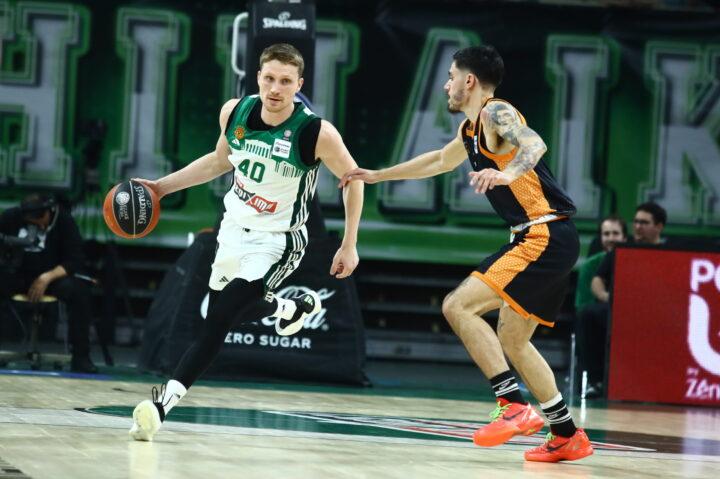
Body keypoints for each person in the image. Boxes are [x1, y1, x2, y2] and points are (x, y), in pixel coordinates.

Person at [340, 45, 592, 462]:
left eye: (451, 76)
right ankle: (567, 434)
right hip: (548, 237)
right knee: (514, 340)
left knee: (458, 306)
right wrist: (378, 175)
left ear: (469, 80)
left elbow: (534, 144)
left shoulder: (496, 112)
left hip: (542, 234)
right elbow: (439, 161)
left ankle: (512, 406)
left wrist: (507, 173)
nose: (447, 85)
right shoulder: (470, 129)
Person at [129, 43, 364, 441]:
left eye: (285, 81)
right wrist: (161, 188)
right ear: (258, 77)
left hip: (277, 240)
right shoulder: (234, 112)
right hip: (233, 230)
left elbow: (354, 180)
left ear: (299, 85)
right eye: (269, 78)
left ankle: (161, 404)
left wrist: (350, 242)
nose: (275, 88)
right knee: (225, 310)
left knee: (218, 320)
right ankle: (288, 306)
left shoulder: (315, 132)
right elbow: (219, 160)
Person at [0, 194, 98, 373]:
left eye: (41, 220)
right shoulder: (11, 217)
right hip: (17, 274)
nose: (39, 225)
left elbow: (75, 259)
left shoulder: (64, 221)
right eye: (33, 221)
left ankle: (81, 357)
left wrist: (47, 277)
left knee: (79, 291)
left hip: (53, 277)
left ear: (48, 212)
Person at [575, 215, 627, 398]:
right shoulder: (590, 265)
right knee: (587, 317)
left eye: (615, 233)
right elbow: (582, 304)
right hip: (601, 321)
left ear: (624, 237)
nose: (611, 238)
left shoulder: (633, 259)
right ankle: (595, 382)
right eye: (606, 234)